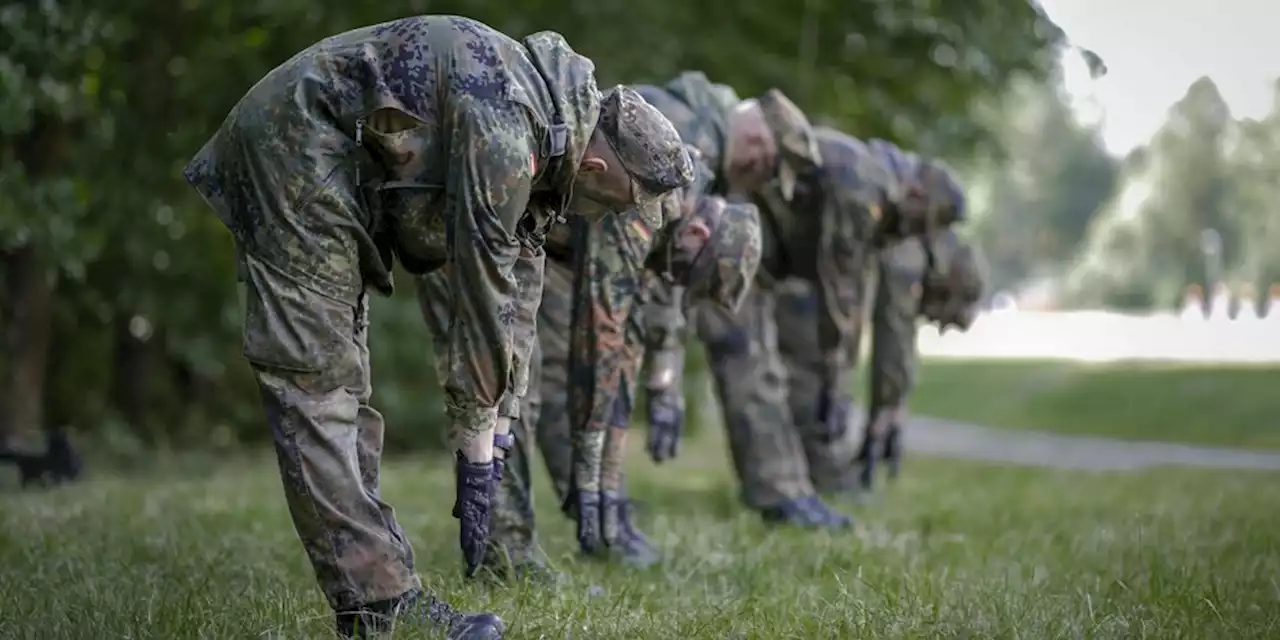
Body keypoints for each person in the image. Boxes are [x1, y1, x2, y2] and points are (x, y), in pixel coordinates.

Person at [182, 15, 692, 639]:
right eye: (624, 200)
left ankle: (374, 589)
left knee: (341, 381)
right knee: (317, 382)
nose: (615, 217)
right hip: (295, 151)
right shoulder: (512, 135)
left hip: (331, 165)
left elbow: (518, 291)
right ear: (595, 169)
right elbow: (479, 300)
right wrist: (474, 452)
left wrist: (497, 433)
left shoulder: (551, 135)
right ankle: (381, 601)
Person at [416, 150, 761, 578]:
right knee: (503, 383)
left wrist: (605, 485)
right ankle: (504, 557)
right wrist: (596, 486)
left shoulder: (667, 214)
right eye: (690, 271)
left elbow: (623, 352)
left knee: (528, 378)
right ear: (698, 230)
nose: (677, 280)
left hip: (507, 230)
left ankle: (532, 540)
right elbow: (600, 340)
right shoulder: (644, 206)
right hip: (468, 217)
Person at [645, 124, 968, 529]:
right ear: (917, 195)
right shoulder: (866, 184)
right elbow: (842, 292)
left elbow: (853, 301)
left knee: (774, 369)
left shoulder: (873, 185)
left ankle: (797, 487)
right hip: (723, 247)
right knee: (749, 360)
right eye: (920, 224)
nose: (913, 235)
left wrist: (870, 396)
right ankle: (781, 497)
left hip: (752, 254)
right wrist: (838, 386)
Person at [619, 73, 855, 528]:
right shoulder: (689, 139)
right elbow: (656, 272)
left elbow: (668, 274)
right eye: (767, 167)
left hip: (626, 269)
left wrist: (664, 374)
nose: (764, 181)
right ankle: (596, 501)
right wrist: (663, 378)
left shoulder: (717, 149)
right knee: (578, 360)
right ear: (754, 136)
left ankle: (785, 490)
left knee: (750, 343)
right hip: (571, 258)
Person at [774, 230, 985, 495]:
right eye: (939, 317)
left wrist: (891, 405)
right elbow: (894, 337)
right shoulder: (906, 256)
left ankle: (806, 472)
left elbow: (898, 337)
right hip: (806, 281)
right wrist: (886, 410)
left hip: (814, 271)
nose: (931, 320)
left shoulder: (913, 244)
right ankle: (807, 475)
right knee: (818, 371)